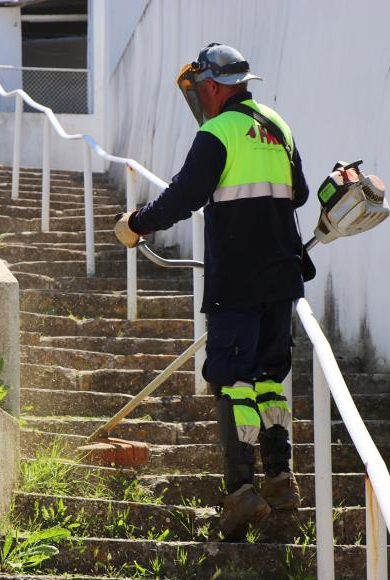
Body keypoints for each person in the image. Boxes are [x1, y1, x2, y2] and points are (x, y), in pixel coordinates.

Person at [113, 43, 310, 542]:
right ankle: (282, 479)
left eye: (201, 89)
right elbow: (301, 192)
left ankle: (241, 491)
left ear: (216, 86)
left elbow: (183, 195)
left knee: (232, 378)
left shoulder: (216, 132)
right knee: (269, 379)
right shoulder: (278, 127)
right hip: (281, 278)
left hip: (237, 281)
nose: (201, 98)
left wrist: (137, 223)